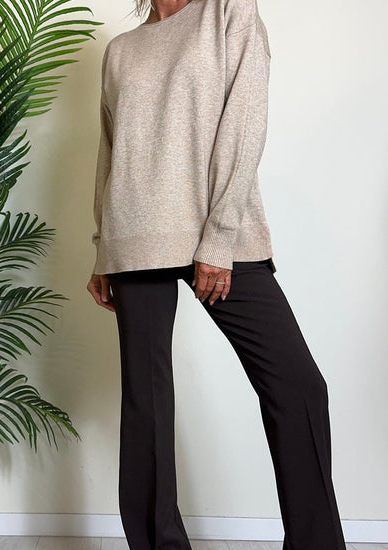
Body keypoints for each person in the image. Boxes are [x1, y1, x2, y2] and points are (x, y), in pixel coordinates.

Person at [86, 0, 347, 549]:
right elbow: (111, 152)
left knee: (297, 385)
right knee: (146, 406)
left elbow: (245, 120)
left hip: (217, 234)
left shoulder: (228, 12)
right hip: (133, 237)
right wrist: (101, 247)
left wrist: (220, 237)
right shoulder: (120, 51)